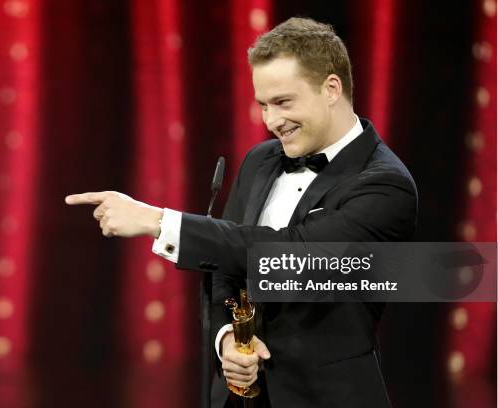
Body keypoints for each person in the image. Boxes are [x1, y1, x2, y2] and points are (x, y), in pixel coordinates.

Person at [66, 17, 417, 408]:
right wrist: (228, 339)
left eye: (283, 102)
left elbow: (293, 253)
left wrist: (159, 221)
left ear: (331, 88)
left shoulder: (385, 184)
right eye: (263, 105)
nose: (271, 121)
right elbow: (225, 267)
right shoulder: (260, 160)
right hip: (239, 398)